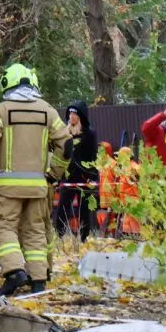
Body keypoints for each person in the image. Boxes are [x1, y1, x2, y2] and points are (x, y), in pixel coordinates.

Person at [0, 63, 71, 297]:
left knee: (4, 229)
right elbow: (66, 144)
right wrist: (53, 174)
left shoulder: (1, 111)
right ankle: (38, 280)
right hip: (39, 186)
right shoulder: (47, 111)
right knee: (35, 231)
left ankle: (14, 271)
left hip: (8, 186)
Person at [54, 101, 99, 242]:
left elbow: (93, 156)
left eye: (74, 114)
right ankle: (59, 236)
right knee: (62, 207)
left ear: (81, 116)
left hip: (85, 177)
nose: (71, 116)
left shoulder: (89, 134)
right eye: (70, 113)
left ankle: (84, 238)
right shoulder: (65, 134)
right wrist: (58, 175)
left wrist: (92, 177)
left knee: (84, 209)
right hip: (68, 177)